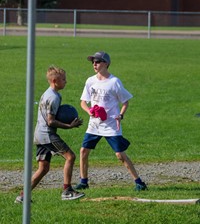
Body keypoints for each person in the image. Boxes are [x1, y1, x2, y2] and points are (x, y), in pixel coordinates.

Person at [75, 51, 147, 191]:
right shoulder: (90, 81)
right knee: (83, 151)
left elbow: (125, 102)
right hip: (95, 124)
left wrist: (120, 115)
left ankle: (139, 182)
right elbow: (83, 102)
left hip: (111, 124)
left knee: (120, 155)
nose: (94, 64)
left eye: (97, 61)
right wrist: (89, 111)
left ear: (106, 63)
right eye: (93, 62)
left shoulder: (114, 82)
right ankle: (83, 181)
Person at [15, 66, 85, 203]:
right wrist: (69, 126)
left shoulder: (50, 93)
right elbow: (51, 121)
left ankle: (23, 196)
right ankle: (67, 191)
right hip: (47, 134)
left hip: (39, 134)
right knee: (70, 157)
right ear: (54, 80)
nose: (66, 81)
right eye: (63, 79)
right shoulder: (53, 97)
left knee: (43, 168)